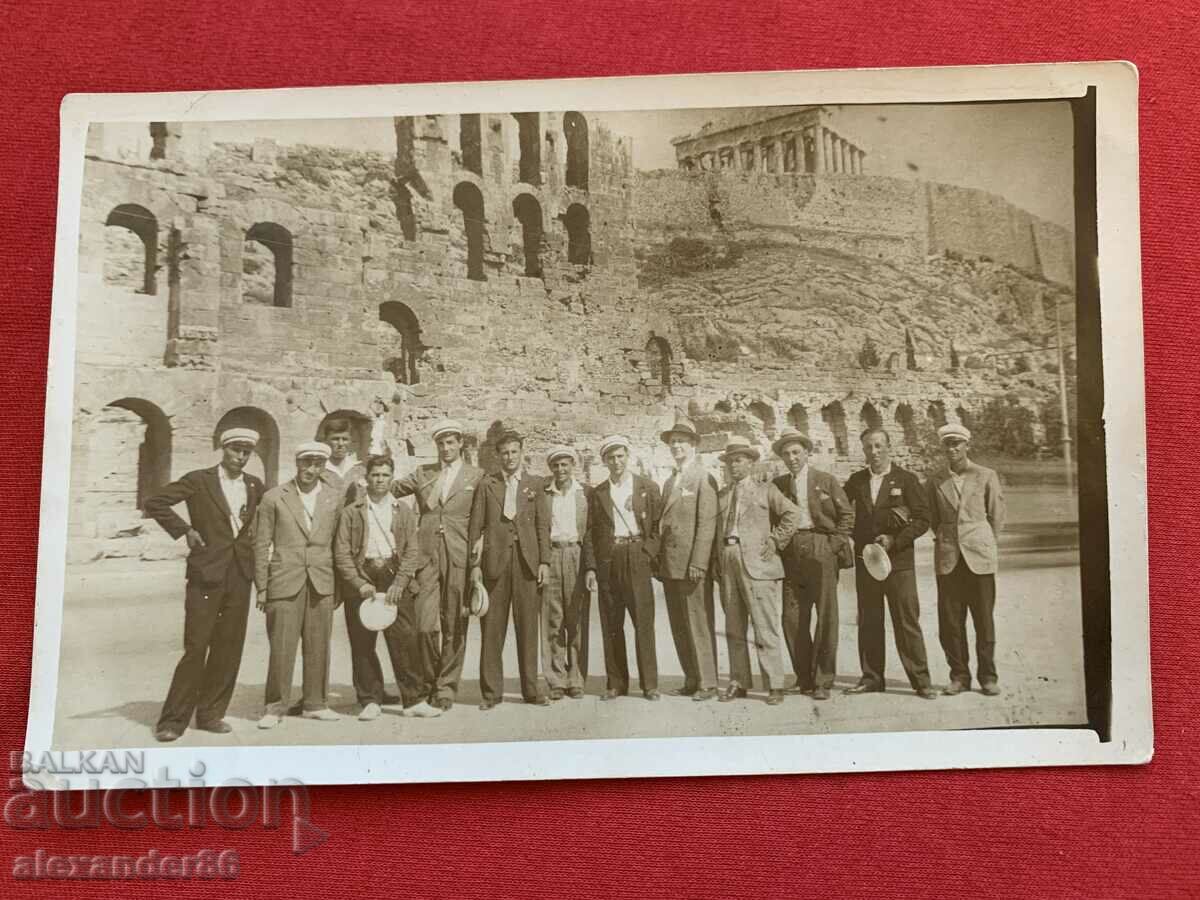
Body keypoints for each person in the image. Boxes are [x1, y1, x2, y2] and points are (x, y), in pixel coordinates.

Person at [144, 428, 264, 742]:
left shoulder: (255, 485)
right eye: (236, 449)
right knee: (197, 647)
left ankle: (211, 714)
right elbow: (155, 502)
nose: (241, 456)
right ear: (223, 450)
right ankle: (172, 721)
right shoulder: (199, 480)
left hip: (239, 575)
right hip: (206, 574)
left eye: (246, 451)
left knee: (228, 647)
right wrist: (185, 529)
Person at [334, 454, 440, 720]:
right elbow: (342, 553)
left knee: (405, 638)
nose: (380, 480)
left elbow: (412, 551)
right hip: (363, 575)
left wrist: (400, 583)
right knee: (362, 641)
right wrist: (358, 584)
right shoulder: (352, 511)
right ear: (366, 478)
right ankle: (370, 699)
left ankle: (413, 700)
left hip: (394, 574)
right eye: (375, 475)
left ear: (392, 477)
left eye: (385, 475)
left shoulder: (402, 510)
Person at [391, 419, 483, 711]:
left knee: (455, 621)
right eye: (441, 444)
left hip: (459, 555)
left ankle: (446, 688)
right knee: (424, 623)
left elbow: (486, 515)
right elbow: (388, 489)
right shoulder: (423, 473)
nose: (446, 448)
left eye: (451, 442)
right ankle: (429, 682)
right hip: (426, 555)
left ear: (460, 445)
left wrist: (480, 545)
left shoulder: (477, 476)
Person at [253, 441, 344, 728]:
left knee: (319, 644)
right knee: (281, 645)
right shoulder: (274, 497)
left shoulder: (333, 497)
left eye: (317, 464)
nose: (311, 469)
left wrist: (339, 586)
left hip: (321, 579)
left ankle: (315, 703)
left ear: (323, 467)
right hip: (283, 579)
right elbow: (260, 544)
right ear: (297, 464)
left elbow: (340, 543)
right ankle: (274, 707)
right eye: (306, 463)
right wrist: (262, 586)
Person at [843, 428, 938, 700]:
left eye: (878, 446)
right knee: (869, 621)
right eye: (868, 447)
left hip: (898, 564)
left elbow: (922, 519)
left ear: (888, 446)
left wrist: (895, 539)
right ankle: (872, 678)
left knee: (906, 621)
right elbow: (841, 511)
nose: (874, 452)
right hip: (867, 563)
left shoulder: (906, 480)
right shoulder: (856, 481)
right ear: (863, 451)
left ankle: (921, 681)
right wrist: (854, 537)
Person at [712, 438, 801, 706]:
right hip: (729, 560)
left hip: (759, 565)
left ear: (750, 463)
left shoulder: (766, 489)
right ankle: (738, 681)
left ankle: (775, 683)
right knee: (734, 626)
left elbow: (792, 514)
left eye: (739, 460)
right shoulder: (723, 495)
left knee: (765, 626)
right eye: (730, 461)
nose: (734, 465)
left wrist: (775, 540)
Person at [770, 427, 854, 701]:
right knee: (792, 618)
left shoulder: (825, 480)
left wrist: (834, 545)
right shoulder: (779, 484)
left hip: (821, 546)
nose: (792, 457)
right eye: (786, 453)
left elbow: (847, 515)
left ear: (807, 453)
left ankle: (823, 680)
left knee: (826, 616)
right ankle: (803, 676)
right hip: (791, 551)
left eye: (796, 452)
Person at [469, 431, 550, 709]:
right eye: (504, 452)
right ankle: (491, 693)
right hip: (495, 563)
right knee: (492, 628)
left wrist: (544, 562)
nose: (510, 457)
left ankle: (531, 689)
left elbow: (542, 526)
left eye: (514, 451)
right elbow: (475, 527)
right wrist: (475, 567)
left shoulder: (535, 484)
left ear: (522, 452)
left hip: (527, 563)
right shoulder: (487, 484)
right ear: (497, 455)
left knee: (528, 628)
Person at [927, 423, 1007, 696]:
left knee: (983, 620)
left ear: (966, 445)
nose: (952, 449)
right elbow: (934, 520)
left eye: (957, 444)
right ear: (943, 448)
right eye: (947, 444)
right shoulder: (935, 480)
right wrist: (950, 540)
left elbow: (996, 516)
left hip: (979, 557)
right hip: (949, 558)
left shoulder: (986, 475)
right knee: (950, 621)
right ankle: (959, 676)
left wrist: (983, 542)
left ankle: (988, 677)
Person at [583, 435, 662, 701]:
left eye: (620, 456)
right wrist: (592, 568)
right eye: (611, 458)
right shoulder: (599, 492)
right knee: (612, 624)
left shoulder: (647, 487)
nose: (616, 462)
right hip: (610, 558)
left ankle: (649, 684)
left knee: (643, 622)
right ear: (604, 461)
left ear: (628, 456)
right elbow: (591, 533)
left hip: (637, 554)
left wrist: (648, 553)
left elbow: (659, 527)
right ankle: (616, 683)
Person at [656, 413, 720, 702]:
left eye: (682, 441)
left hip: (691, 565)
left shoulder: (703, 477)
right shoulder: (670, 481)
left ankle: (708, 681)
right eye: (673, 442)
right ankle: (691, 678)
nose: (677, 446)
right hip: (670, 565)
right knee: (679, 623)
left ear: (694, 445)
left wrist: (699, 562)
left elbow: (707, 523)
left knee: (698, 622)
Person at [539, 446, 592, 700]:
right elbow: (539, 528)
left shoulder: (585, 494)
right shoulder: (544, 493)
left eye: (565, 465)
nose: (561, 470)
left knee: (577, 618)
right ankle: (556, 678)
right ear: (551, 468)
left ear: (573, 465)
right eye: (556, 465)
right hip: (552, 554)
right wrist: (543, 561)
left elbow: (590, 531)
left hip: (576, 554)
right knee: (553, 619)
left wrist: (590, 567)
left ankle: (577, 678)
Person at [321, 417, 366, 501]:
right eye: (335, 439)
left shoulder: (360, 470)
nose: (340, 444)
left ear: (351, 441)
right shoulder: (319, 470)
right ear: (326, 441)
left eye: (345, 439)